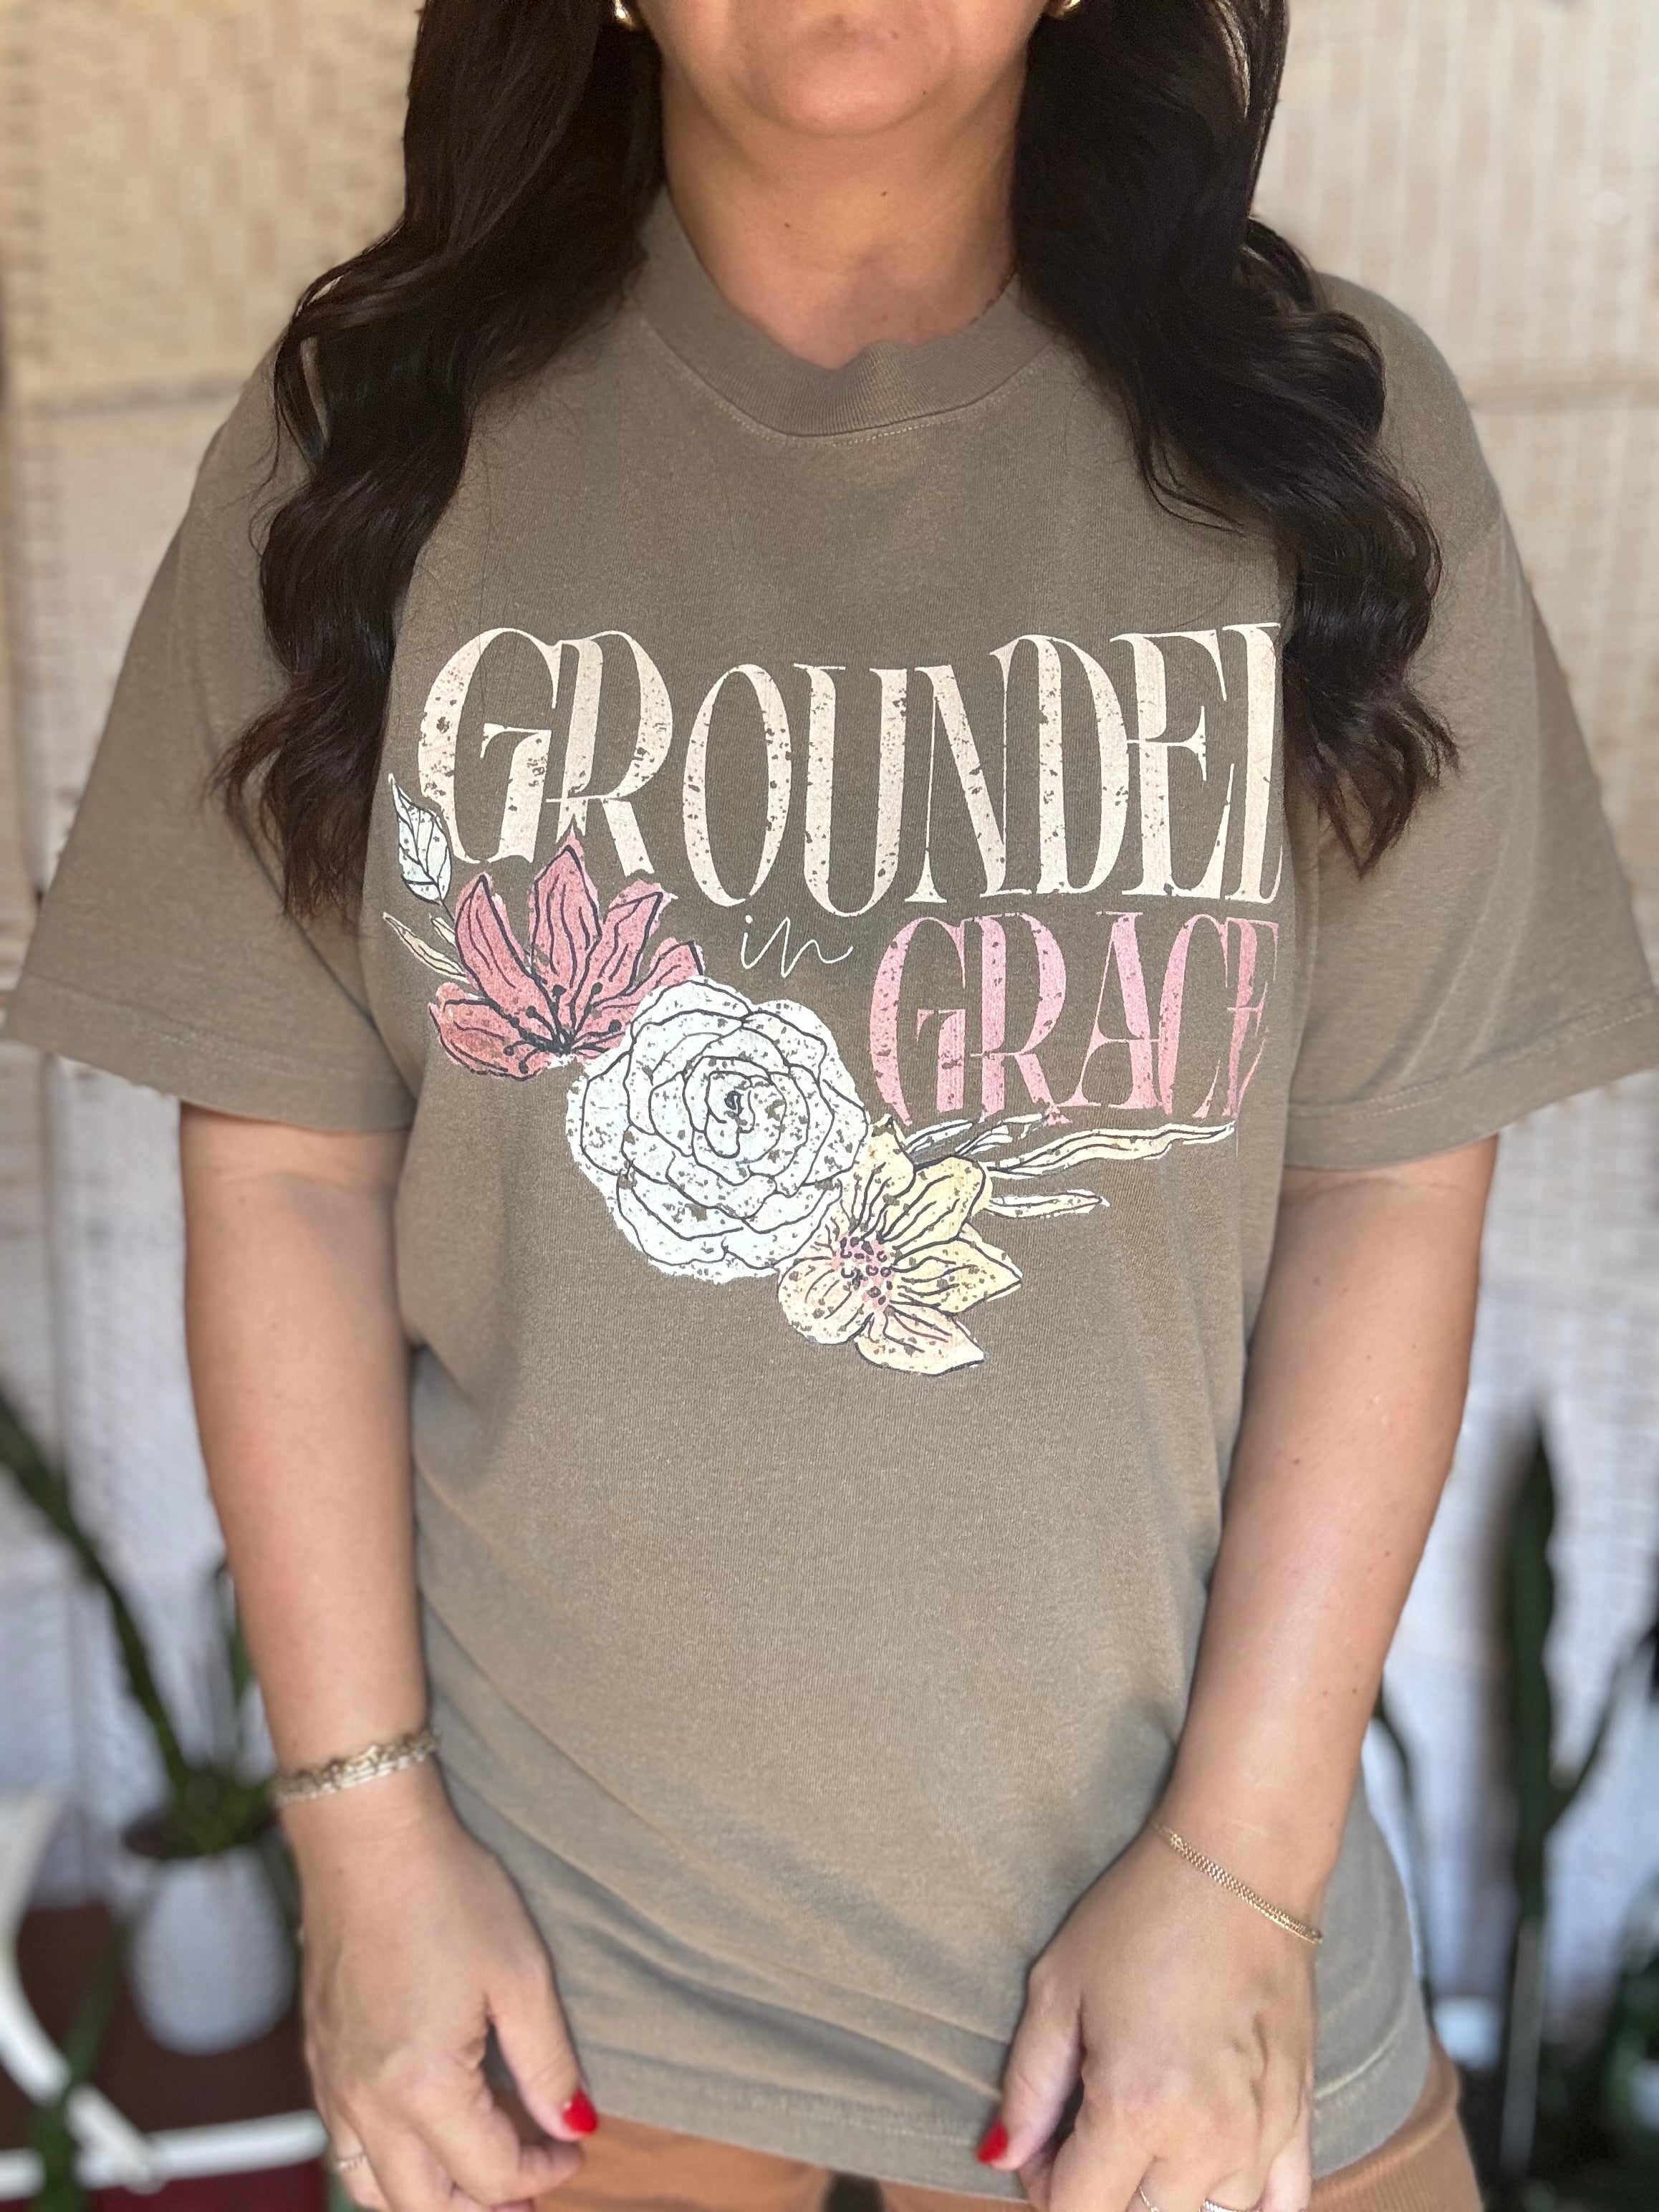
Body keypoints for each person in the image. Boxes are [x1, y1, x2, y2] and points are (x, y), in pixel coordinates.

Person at [8, 3, 1657, 2209]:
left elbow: (1386, 1192)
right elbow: (289, 1179)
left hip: (1168, 1988)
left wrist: (1238, 1882)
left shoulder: (1325, 444)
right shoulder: (367, 454)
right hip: (554, 1999)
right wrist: (364, 1844)